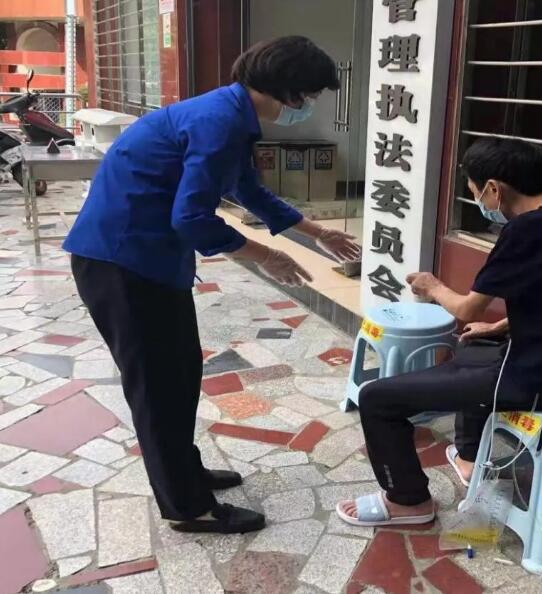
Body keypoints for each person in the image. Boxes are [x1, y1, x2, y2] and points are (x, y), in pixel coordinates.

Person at [64, 36, 359, 534]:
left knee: (180, 375)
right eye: (310, 95)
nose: (308, 106)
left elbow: (246, 189)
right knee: (159, 388)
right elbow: (192, 218)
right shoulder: (219, 122)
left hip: (149, 262)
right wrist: (267, 256)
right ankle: (188, 507)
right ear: (289, 89)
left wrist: (315, 232)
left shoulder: (229, 114)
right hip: (122, 264)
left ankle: (186, 471)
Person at [337, 138, 542, 527]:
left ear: (494, 189)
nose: (478, 200)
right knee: (471, 344)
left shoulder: (525, 230)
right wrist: (499, 326)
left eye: (475, 192)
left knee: (377, 399)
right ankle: (468, 457)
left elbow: (466, 308)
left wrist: (431, 286)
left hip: (541, 380)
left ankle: (408, 501)